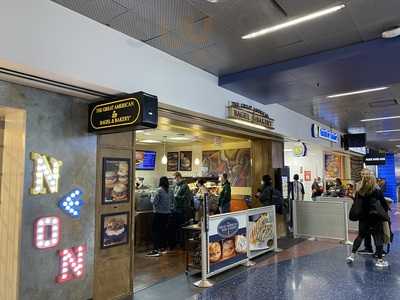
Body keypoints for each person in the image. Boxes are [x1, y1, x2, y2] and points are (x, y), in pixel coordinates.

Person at [346, 172, 390, 267]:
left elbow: (357, 203)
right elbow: (383, 204)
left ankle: (351, 256)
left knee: (360, 236)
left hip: (363, 218)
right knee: (377, 237)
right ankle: (380, 261)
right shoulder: (377, 191)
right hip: (375, 218)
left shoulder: (359, 191)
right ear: (373, 180)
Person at [147, 176, 172, 257]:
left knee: (155, 231)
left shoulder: (159, 190)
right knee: (164, 231)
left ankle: (155, 249)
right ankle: (163, 248)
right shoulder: (169, 190)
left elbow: (154, 202)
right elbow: (172, 201)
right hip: (167, 214)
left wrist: (151, 196)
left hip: (158, 213)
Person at [171, 172, 192, 248]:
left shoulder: (185, 186)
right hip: (176, 210)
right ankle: (178, 243)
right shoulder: (176, 186)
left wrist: (177, 197)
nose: (174, 180)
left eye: (174, 178)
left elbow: (187, 198)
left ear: (178, 177)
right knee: (176, 228)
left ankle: (183, 244)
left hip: (182, 210)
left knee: (182, 228)